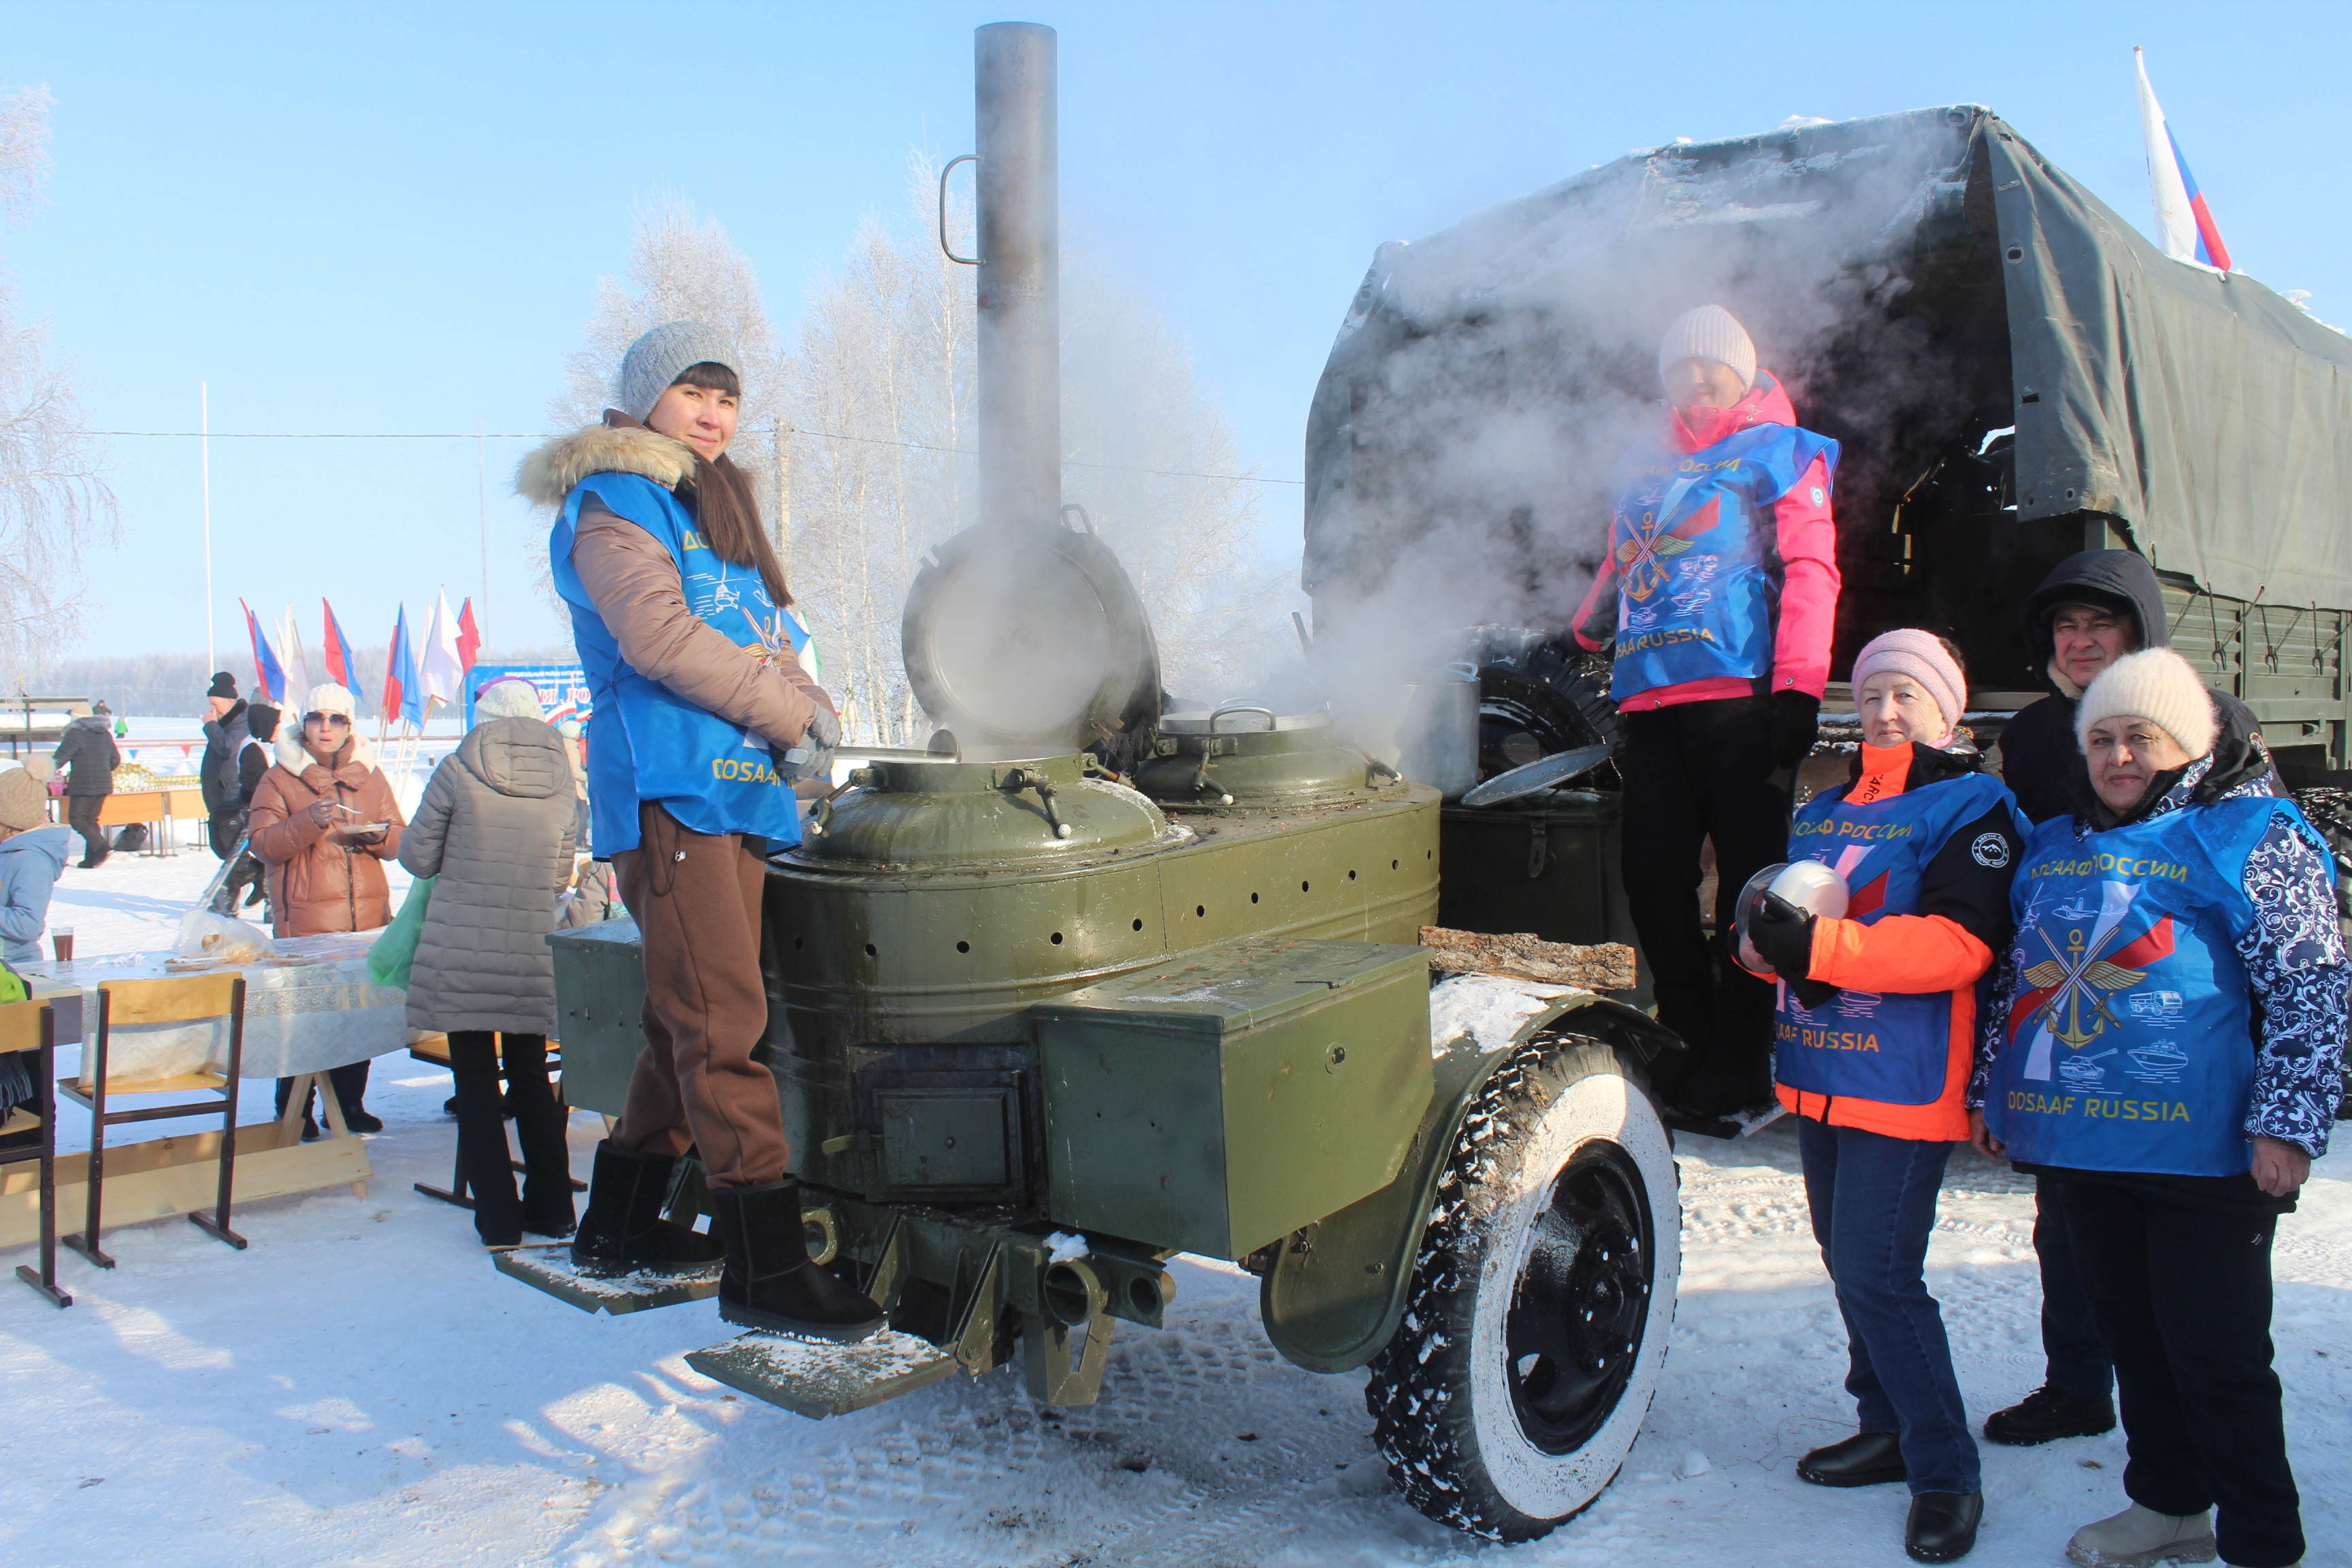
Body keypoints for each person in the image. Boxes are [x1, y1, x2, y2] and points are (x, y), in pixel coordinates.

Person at [523, 318, 872, 1340]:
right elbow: (661, 638)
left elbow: (769, 636)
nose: (716, 414)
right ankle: (765, 1268)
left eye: (727, 396)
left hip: (737, 792)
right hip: (672, 792)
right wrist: (785, 713)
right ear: (644, 404)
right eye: (694, 393)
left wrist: (818, 709)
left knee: (688, 1017)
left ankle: (619, 1229)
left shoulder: (708, 506)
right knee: (723, 1025)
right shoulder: (614, 503)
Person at [1974, 648, 2344, 1568]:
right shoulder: (2055, 844)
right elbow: (2015, 981)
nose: (2119, 756)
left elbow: (2311, 985)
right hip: (2085, 1148)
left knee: (2217, 1359)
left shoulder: (2248, 836)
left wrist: (2286, 1124)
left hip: (2208, 1157)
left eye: (2142, 736)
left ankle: (2262, 1539)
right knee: (2135, 1341)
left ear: (2188, 743)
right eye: (2101, 738)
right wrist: (1995, 1091)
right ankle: (2171, 1503)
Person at [1979, 549, 2280, 1448]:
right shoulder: (2030, 738)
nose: (2079, 643)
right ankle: (2077, 1382)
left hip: (2177, 1044)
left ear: (2137, 632)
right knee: (2068, 1224)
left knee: (2189, 1265)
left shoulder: (2215, 723)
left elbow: (2259, 884)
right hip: (2066, 1020)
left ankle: (2200, 1443)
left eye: (2098, 626)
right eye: (2064, 628)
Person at [1737, 632, 2021, 1563]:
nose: (1887, 713)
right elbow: (1785, 917)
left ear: (1949, 707)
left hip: (1904, 1081)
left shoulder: (1973, 803)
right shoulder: (1819, 812)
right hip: (1821, 1069)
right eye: (1871, 698)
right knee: (1844, 1257)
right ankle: (1885, 1423)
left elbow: (1960, 946)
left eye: (1907, 695)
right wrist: (1756, 946)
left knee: (1880, 1274)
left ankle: (1945, 1471)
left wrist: (1817, 951)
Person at [1571, 304, 1842, 1117]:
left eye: (1709, 367)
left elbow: (1812, 567)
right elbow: (1625, 557)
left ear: (1740, 371)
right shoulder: (1641, 463)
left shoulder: (1781, 454)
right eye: (1679, 368)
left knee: (1749, 889)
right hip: (1653, 700)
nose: (1694, 381)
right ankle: (1684, 1032)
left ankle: (1745, 1048)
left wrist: (1799, 685)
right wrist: (1586, 623)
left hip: (1743, 697)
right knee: (1651, 876)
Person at [399, 677, 578, 1247]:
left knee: (476, 1085)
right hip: (529, 947)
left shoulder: (458, 769)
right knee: (530, 1077)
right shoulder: (562, 784)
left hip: (462, 951)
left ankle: (498, 1220)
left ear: (485, 720)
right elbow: (559, 876)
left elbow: (417, 858)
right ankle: (553, 1209)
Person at [246, 683, 406, 1137]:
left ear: (350, 725)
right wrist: (305, 823)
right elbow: (262, 846)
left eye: (337, 720)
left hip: (365, 922)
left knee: (357, 1020)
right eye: (317, 718)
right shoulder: (278, 777)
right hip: (308, 925)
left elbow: (402, 840)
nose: (326, 728)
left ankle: (350, 1104)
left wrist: (378, 835)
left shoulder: (371, 776)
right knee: (303, 1021)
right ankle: (294, 1111)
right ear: (304, 724)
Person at [0, 768, 74, 963]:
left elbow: (27, 925)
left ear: (8, 822)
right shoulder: (7, 851)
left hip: (12, 969)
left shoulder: (31, 861)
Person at [214, 702, 280, 919]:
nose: (279, 727)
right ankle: (227, 900)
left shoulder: (262, 747)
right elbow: (253, 782)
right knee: (255, 859)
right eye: (276, 723)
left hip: (263, 809)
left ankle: (270, 902)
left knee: (267, 858)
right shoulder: (252, 749)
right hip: (254, 810)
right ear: (265, 725)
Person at [51, 704, 119, 870]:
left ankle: (102, 847)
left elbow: (60, 758)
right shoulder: (105, 734)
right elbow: (115, 760)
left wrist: (42, 770)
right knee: (91, 820)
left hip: (83, 784)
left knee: (77, 819)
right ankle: (92, 859)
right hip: (103, 784)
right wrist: (101, 772)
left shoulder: (76, 733)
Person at [200, 672, 252, 860]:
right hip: (218, 801)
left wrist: (211, 726)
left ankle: (249, 884)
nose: (213, 710)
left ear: (230, 701)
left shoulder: (242, 722)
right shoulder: (223, 725)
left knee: (236, 856)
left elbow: (227, 747)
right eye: (210, 705)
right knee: (222, 849)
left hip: (232, 799)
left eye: (215, 704)